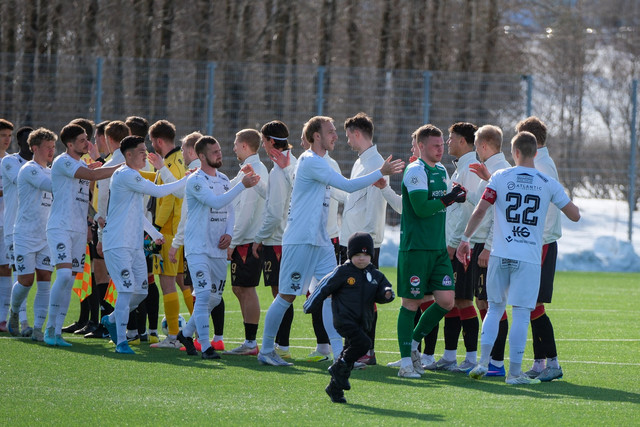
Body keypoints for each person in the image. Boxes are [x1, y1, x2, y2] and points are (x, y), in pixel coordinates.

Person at [257, 115, 404, 366]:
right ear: (317, 136)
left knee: (331, 295)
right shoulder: (312, 161)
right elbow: (347, 186)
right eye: (331, 131)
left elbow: (339, 191)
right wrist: (381, 172)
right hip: (301, 240)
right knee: (286, 296)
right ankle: (266, 350)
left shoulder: (318, 162)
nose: (336, 136)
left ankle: (340, 355)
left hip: (321, 240)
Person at [457, 131, 580, 385]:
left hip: (500, 254)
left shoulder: (500, 177)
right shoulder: (547, 182)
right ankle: (514, 374)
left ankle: (483, 363)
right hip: (528, 258)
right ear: (535, 153)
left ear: (514, 152)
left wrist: (465, 239)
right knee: (522, 314)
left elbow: (480, 210)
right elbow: (575, 215)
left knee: (494, 309)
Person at [100, 136, 186, 354]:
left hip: (134, 245)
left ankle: (112, 319)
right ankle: (121, 342)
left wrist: (154, 233)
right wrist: (187, 179)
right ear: (128, 155)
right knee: (126, 290)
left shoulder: (133, 175)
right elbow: (159, 191)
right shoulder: (126, 174)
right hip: (117, 244)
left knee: (141, 291)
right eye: (141, 151)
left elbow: (137, 212)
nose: (145, 154)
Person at [176, 135, 260, 359]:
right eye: (214, 152)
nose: (220, 154)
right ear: (202, 156)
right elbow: (215, 202)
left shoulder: (223, 179)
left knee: (214, 298)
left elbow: (230, 209)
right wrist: (241, 185)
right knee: (204, 295)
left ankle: (186, 333)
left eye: (220, 150)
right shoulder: (195, 180)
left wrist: (229, 234)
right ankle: (206, 346)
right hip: (198, 248)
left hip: (218, 249)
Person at [395, 124, 466, 379]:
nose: (440, 149)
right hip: (416, 248)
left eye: (441, 144)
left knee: (446, 301)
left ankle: (413, 345)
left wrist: (456, 197)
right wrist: (448, 198)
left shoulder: (441, 170)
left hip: (437, 248)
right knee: (411, 303)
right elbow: (422, 208)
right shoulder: (415, 171)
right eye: (435, 145)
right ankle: (405, 364)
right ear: (421, 146)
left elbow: (441, 203)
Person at [44, 123, 121, 346]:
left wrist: (92, 219)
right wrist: (123, 166)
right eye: (82, 140)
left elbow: (83, 198)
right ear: (69, 145)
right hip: (60, 227)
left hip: (78, 229)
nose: (87, 143)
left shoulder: (80, 164)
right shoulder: (63, 161)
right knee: (64, 276)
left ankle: (57, 333)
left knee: (70, 281)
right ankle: (50, 328)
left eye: (87, 138)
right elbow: (93, 175)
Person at [337, 112, 402, 366]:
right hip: (352, 242)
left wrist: (364, 245)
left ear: (356, 134)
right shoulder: (361, 161)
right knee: (351, 298)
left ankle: (366, 350)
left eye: (348, 136)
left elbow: (375, 207)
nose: (347, 141)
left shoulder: (376, 163)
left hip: (363, 244)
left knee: (363, 299)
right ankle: (356, 348)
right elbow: (353, 201)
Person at [227, 121, 296, 357]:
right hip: (281, 237)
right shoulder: (284, 166)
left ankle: (282, 347)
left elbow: (274, 213)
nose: (263, 146)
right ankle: (280, 345)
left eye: (264, 141)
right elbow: (273, 198)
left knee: (282, 294)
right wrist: (257, 183)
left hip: (278, 240)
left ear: (269, 141)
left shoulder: (280, 169)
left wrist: (258, 238)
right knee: (281, 293)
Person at [303, 232, 394, 404]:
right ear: (350, 255)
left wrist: (387, 294)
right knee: (364, 344)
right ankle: (337, 368)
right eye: (357, 254)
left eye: (365, 255)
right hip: (344, 320)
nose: (361, 258)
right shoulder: (343, 272)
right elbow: (323, 286)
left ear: (371, 256)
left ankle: (335, 388)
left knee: (349, 355)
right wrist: (310, 304)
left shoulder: (375, 274)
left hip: (363, 322)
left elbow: (383, 289)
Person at [516, 116, 566, 382]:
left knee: (533, 304)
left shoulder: (541, 166)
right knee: (530, 304)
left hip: (540, 243)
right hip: (537, 243)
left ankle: (553, 363)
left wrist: (536, 241)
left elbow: (549, 209)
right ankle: (539, 363)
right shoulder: (540, 163)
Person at [436, 122, 482, 372]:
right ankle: (450, 356)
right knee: (451, 301)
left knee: (464, 300)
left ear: (463, 141)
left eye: (451, 138)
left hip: (462, 247)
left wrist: (455, 243)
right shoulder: (460, 169)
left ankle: (472, 358)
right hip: (453, 243)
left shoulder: (471, 169)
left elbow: (469, 211)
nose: (447, 142)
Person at [466, 125, 512, 376]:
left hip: (489, 246)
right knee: (483, 301)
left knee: (492, 303)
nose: (476, 150)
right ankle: (490, 360)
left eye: (476, 146)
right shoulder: (491, 170)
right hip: (480, 243)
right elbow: (481, 203)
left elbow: (498, 214)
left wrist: (488, 247)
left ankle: (496, 362)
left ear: (483, 145)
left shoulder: (501, 171)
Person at [7, 128, 56, 341]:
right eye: (47, 147)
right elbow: (49, 186)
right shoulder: (29, 169)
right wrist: (77, 176)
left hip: (46, 236)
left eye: (53, 147)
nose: (51, 151)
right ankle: (14, 311)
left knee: (45, 278)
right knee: (26, 281)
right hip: (25, 234)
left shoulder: (53, 171)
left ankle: (38, 328)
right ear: (34, 148)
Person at [226, 129, 269, 356]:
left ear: (244, 146)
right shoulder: (248, 168)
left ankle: (251, 343)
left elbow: (247, 212)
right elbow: (230, 189)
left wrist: (233, 241)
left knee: (247, 288)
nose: (233, 148)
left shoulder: (256, 170)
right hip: (243, 238)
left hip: (247, 239)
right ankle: (248, 341)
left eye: (236, 144)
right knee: (238, 288)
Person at [147, 120, 190, 348]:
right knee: (183, 282)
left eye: (152, 141)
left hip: (168, 232)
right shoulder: (178, 159)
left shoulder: (169, 164)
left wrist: (155, 227)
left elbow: (171, 198)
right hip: (178, 232)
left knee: (167, 283)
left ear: (158, 141)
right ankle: (197, 332)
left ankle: (173, 336)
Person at [0, 121, 31, 334]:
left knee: (7, 268)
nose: (7, 139)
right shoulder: (11, 163)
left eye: (9, 135)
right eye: (3, 134)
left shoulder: (10, 161)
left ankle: (5, 318)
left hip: (7, 222)